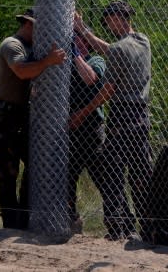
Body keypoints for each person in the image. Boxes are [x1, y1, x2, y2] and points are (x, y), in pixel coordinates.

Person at [72, 0, 152, 241]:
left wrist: (82, 113)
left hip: (121, 115)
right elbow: (112, 49)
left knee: (112, 171)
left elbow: (108, 89)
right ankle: (148, 226)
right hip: (141, 116)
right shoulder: (143, 41)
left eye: (109, 21)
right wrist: (83, 28)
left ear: (118, 18)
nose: (108, 26)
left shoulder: (118, 50)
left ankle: (118, 228)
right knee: (140, 173)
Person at [0, 8, 67, 230]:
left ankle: (23, 220)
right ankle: (11, 224)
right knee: (7, 171)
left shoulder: (34, 47)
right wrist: (48, 61)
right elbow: (22, 71)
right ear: (28, 24)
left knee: (34, 164)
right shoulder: (12, 45)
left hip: (25, 113)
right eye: (39, 28)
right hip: (6, 113)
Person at [66, 33, 106, 234]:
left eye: (78, 39)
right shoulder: (66, 63)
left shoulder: (95, 60)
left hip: (91, 129)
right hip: (70, 131)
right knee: (67, 177)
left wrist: (75, 53)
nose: (74, 42)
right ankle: (72, 220)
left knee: (103, 177)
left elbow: (90, 78)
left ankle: (119, 223)